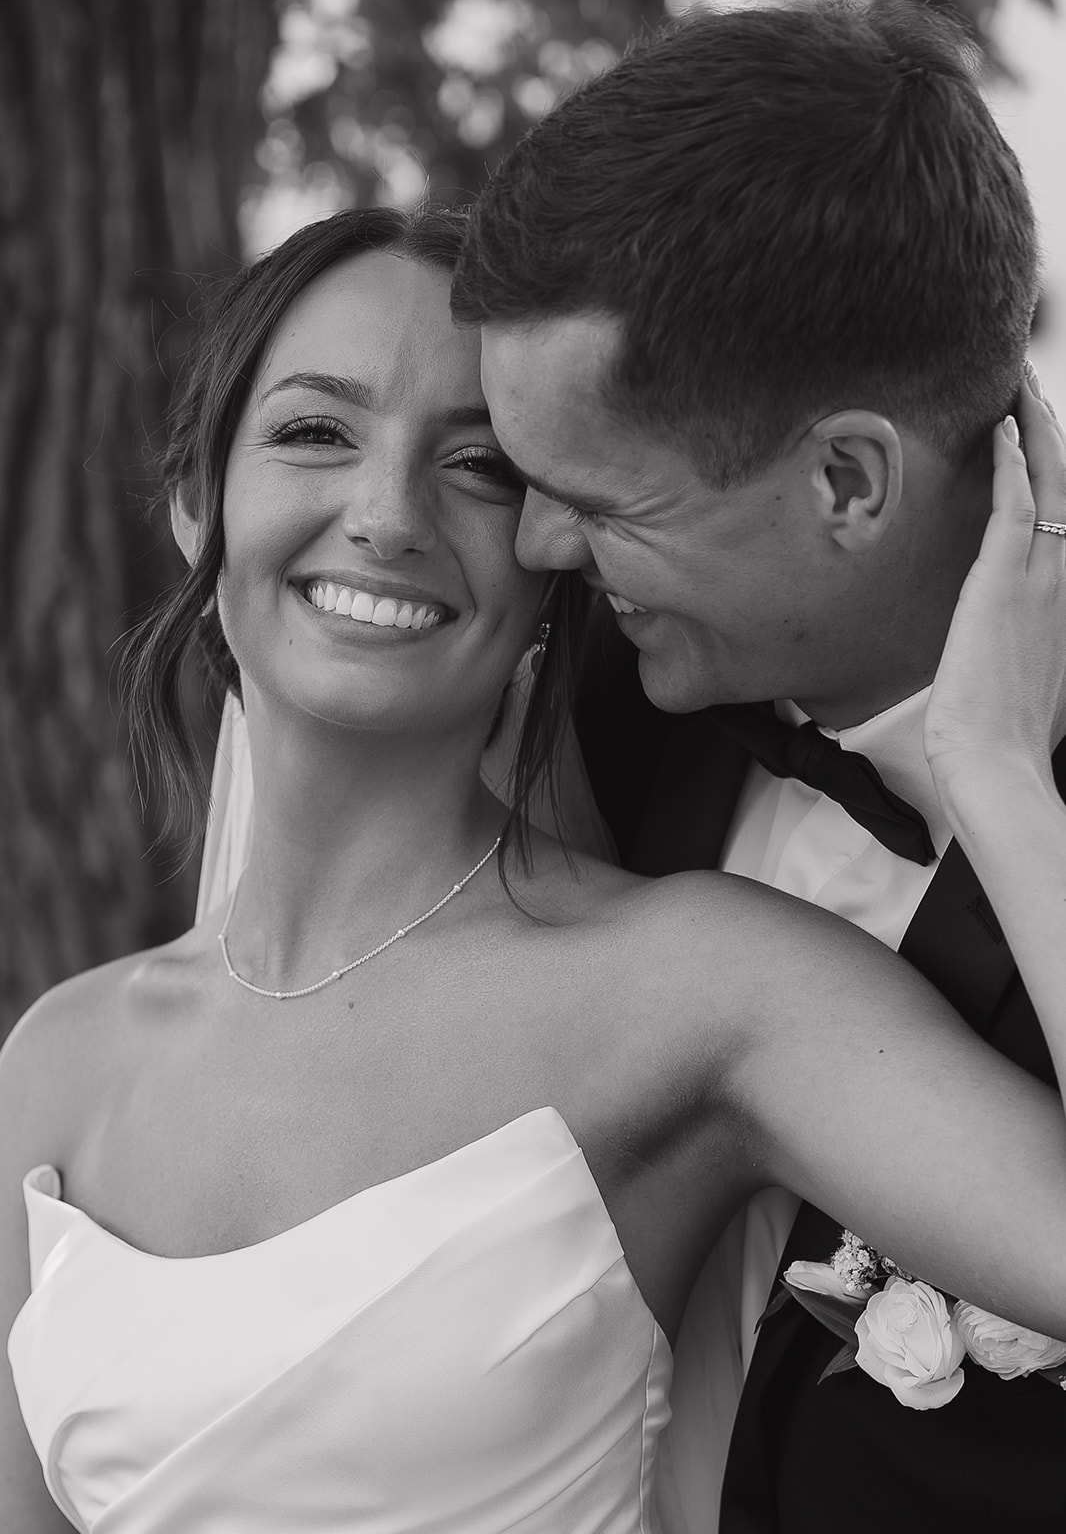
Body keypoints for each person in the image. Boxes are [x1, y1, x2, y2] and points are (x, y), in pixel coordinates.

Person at [1, 203, 1065, 1534]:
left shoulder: (704, 984)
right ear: (195, 502)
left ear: (556, 557)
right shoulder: (58, 1062)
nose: (385, 516)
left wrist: (996, 769)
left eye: (477, 467)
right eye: (315, 432)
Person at [451, 0, 1066, 1533]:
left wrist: (997, 780)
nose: (536, 547)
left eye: (601, 502)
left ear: (846, 480)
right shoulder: (578, 710)